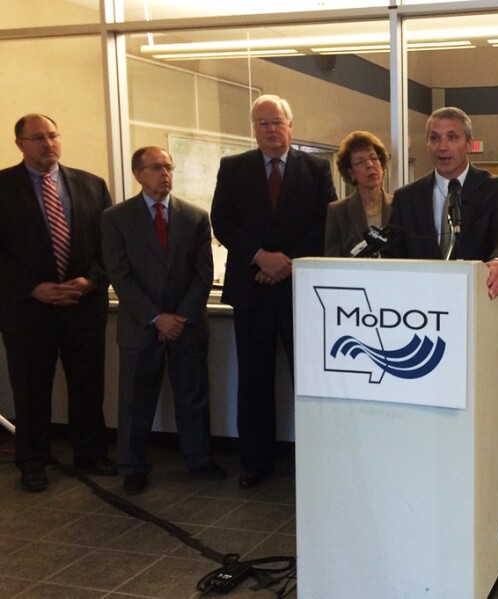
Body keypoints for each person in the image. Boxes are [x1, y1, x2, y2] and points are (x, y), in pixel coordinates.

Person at [386, 107, 498, 586]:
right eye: (435, 137)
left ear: (469, 143)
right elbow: (391, 255)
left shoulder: (496, 192)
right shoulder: (407, 198)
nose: (443, 145)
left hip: (484, 340)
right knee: (431, 440)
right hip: (423, 347)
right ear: (427, 144)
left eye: (452, 137)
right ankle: (434, 531)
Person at [211, 94, 337, 489]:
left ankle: (319, 459)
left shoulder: (316, 169)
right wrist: (260, 257)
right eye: (262, 123)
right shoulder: (233, 168)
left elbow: (325, 226)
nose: (270, 129)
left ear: (290, 125)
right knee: (253, 381)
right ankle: (255, 461)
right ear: (254, 129)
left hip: (300, 292)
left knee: (310, 381)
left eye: (276, 122)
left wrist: (285, 263)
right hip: (251, 291)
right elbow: (223, 222)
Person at [0, 113, 116, 492]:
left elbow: (110, 248)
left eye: (52, 135)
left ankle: (91, 453)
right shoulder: (3, 186)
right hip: (29, 310)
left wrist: (91, 281)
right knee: (31, 389)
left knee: (88, 385)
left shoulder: (91, 185)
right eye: (37, 138)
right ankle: (33, 462)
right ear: (19, 144)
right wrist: (33, 288)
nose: (48, 144)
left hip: (83, 306)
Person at [101, 146, 225, 496]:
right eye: (156, 168)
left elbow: (204, 273)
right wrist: (156, 317)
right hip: (141, 325)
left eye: (169, 167)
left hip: (187, 324)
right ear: (137, 174)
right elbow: (119, 275)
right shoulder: (115, 218)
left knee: (193, 395)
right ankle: (133, 466)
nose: (164, 174)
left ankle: (199, 459)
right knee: (135, 400)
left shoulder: (195, 216)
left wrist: (180, 316)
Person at [325, 131, 393, 257]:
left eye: (373, 158)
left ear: (381, 163)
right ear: (350, 173)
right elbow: (332, 260)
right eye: (360, 162)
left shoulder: (399, 206)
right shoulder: (338, 211)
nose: (369, 165)